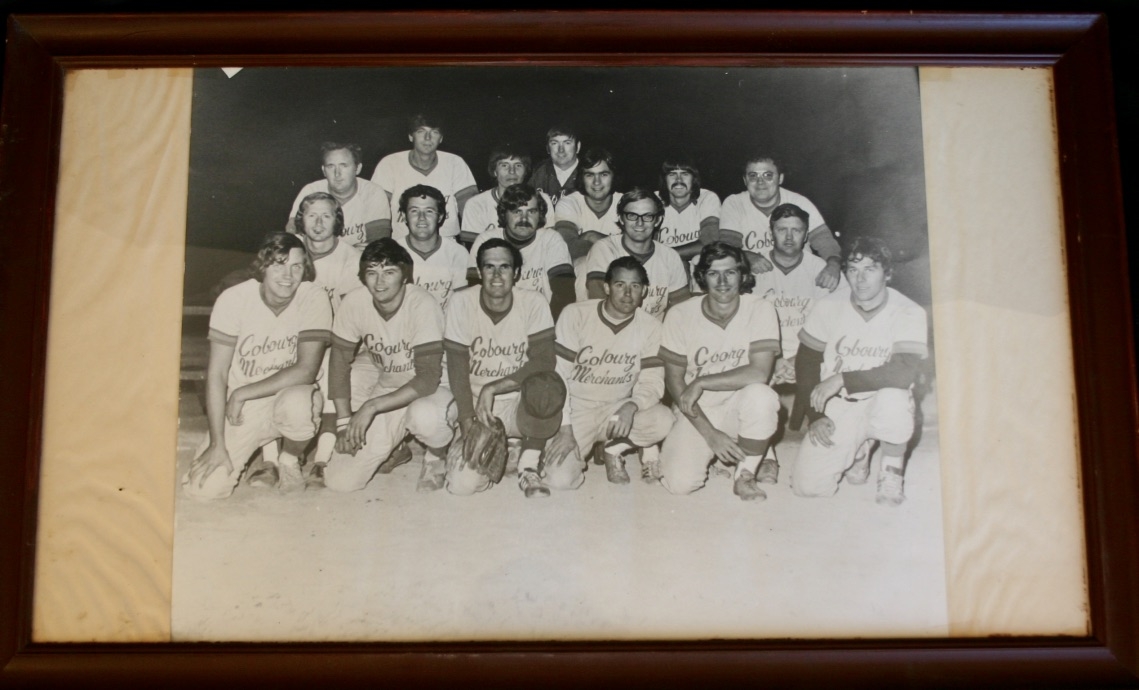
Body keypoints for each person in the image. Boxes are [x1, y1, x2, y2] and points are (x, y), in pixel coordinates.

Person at [183, 232, 330, 500]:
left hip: (285, 397)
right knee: (202, 490)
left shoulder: (313, 297)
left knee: (298, 405)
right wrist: (217, 443)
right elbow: (216, 374)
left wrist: (241, 393)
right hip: (242, 412)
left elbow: (306, 370)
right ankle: (247, 448)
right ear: (263, 266)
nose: (288, 275)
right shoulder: (234, 299)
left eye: (296, 266)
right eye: (279, 264)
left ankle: (288, 460)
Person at [789, 237, 928, 506]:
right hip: (841, 403)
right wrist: (815, 414)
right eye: (853, 270)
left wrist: (842, 378)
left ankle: (891, 469)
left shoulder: (908, 310)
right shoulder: (829, 305)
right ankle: (860, 451)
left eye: (870, 269)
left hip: (881, 398)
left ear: (887, 274)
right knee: (808, 487)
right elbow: (806, 363)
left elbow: (903, 372)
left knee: (894, 399)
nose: (860, 279)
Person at [444, 238, 577, 498]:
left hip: (523, 403)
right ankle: (507, 447)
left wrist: (493, 387)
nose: (496, 275)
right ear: (479, 271)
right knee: (463, 486)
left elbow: (544, 361)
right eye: (489, 267)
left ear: (516, 272)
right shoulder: (460, 302)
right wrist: (466, 422)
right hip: (478, 405)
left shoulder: (533, 301)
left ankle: (528, 462)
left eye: (504, 267)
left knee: (566, 477)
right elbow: (457, 369)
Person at [321, 239, 455, 493]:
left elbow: (427, 379)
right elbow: (338, 363)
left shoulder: (422, 304)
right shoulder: (354, 302)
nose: (379, 282)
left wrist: (370, 407)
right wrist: (342, 423)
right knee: (340, 481)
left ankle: (437, 453)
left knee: (426, 417)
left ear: (405, 276)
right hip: (391, 383)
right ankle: (398, 446)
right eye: (372, 273)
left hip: (434, 386)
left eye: (389, 272)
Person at [657, 242, 781, 501]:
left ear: (743, 275)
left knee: (762, 396)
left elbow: (759, 373)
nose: (723, 281)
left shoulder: (760, 308)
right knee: (679, 483)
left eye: (731, 272)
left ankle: (745, 473)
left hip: (740, 405)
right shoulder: (679, 314)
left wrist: (702, 381)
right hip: (698, 411)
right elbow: (674, 381)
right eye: (713, 273)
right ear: (702, 277)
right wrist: (710, 435)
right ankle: (744, 448)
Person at [548, 256, 675, 485]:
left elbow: (653, 381)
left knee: (663, 419)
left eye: (635, 286)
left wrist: (631, 405)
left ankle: (614, 449)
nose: (627, 293)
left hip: (617, 408)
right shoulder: (575, 314)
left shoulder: (651, 327)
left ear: (644, 291)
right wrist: (564, 428)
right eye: (620, 285)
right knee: (559, 479)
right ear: (606, 287)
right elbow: (558, 376)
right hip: (578, 407)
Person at [289, 192, 365, 479]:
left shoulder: (350, 257)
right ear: (301, 220)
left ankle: (322, 457)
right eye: (311, 215)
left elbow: (349, 317)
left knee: (333, 369)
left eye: (326, 216)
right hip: (292, 338)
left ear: (338, 221)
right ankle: (281, 458)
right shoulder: (290, 249)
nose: (318, 223)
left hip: (335, 339)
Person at [719, 154, 842, 290]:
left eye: (768, 175)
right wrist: (745, 256)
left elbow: (826, 243)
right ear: (745, 180)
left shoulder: (799, 202)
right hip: (757, 281)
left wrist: (833, 265)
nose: (760, 182)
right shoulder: (734, 203)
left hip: (799, 276)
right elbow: (725, 246)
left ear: (780, 178)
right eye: (753, 176)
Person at [467, 183, 575, 319]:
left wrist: (548, 329)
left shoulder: (551, 240)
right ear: (504, 214)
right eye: (517, 212)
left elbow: (565, 293)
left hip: (540, 320)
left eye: (531, 212)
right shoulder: (486, 240)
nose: (524, 219)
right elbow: (473, 292)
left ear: (540, 214)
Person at [583, 187, 690, 320]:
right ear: (622, 219)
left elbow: (681, 308)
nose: (640, 223)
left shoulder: (670, 256)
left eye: (648, 216)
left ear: (657, 220)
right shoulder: (604, 249)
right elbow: (599, 302)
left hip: (653, 334)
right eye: (632, 216)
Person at [371, 113, 478, 241]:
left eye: (434, 132)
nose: (428, 138)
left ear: (441, 138)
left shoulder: (455, 162)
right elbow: (376, 209)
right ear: (411, 136)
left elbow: (470, 209)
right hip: (399, 242)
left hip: (446, 241)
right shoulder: (390, 163)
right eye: (421, 131)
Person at [286, 142, 391, 248]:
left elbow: (380, 241)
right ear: (324, 170)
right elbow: (293, 234)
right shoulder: (311, 191)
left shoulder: (372, 192)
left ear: (357, 168)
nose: (337, 173)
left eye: (344, 165)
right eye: (330, 166)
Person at [459, 144, 552, 245]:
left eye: (518, 165)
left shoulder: (542, 199)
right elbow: (473, 248)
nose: (512, 171)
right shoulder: (476, 204)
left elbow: (548, 242)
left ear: (526, 171)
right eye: (504, 165)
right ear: (495, 171)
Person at [394, 184, 469, 310]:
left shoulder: (458, 253)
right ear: (404, 216)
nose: (421, 218)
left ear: (440, 216)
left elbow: (464, 305)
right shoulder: (393, 252)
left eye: (429, 211)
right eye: (414, 211)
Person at [553, 147, 622, 260]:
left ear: (614, 176)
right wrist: (618, 246)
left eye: (604, 174)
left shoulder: (627, 203)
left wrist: (591, 235)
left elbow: (641, 249)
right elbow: (567, 248)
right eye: (590, 175)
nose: (596, 182)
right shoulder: (569, 203)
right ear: (581, 178)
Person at [655, 156, 721, 266]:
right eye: (672, 174)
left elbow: (710, 242)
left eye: (685, 174)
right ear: (664, 179)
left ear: (694, 178)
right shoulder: (654, 200)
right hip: (665, 269)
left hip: (699, 270)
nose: (678, 180)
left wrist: (667, 256)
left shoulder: (706, 198)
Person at [527, 124, 581, 206]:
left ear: (578, 147)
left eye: (567, 143)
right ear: (548, 148)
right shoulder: (536, 174)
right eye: (554, 143)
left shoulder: (589, 172)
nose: (561, 150)